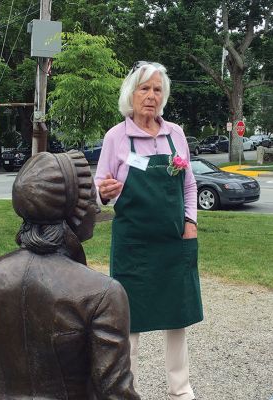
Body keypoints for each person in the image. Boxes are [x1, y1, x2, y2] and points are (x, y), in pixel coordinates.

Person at [0, 150, 140, 400]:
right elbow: (115, 392)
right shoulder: (102, 293)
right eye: (89, 199)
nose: (95, 208)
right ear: (75, 210)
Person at [95, 61, 203, 400]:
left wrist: (191, 223)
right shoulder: (117, 136)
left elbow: (189, 185)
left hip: (174, 241)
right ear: (132, 93)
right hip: (134, 244)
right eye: (145, 88)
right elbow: (100, 186)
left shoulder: (175, 134)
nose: (151, 96)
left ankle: (181, 390)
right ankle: (128, 390)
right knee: (129, 322)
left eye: (157, 90)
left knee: (178, 317)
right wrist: (104, 193)